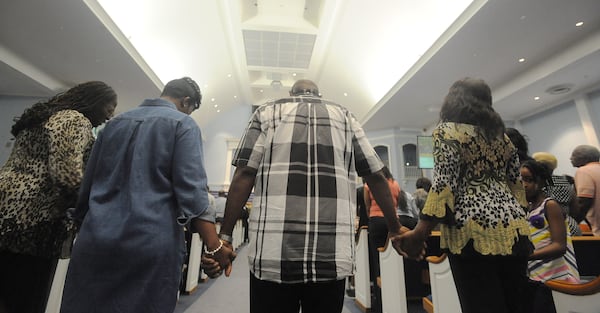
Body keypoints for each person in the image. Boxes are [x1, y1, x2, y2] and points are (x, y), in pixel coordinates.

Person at [212, 79, 413, 313]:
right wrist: (395, 226)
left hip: (273, 252)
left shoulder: (266, 112)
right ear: (319, 94)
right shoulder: (345, 117)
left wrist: (224, 237)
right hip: (330, 255)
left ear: (291, 93)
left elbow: (245, 172)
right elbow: (376, 176)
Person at [59, 77, 235, 313]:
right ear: (186, 102)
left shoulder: (113, 124)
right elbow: (192, 193)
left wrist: (83, 227)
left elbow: (87, 186)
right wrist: (214, 247)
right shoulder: (183, 125)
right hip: (149, 242)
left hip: (96, 239)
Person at [396, 78, 533, 313]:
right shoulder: (503, 138)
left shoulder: (447, 132)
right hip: (515, 232)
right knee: (516, 305)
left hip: (471, 232)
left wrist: (420, 233)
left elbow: (443, 187)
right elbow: (517, 188)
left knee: (481, 305)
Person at [0, 81, 117, 313]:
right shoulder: (75, 120)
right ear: (95, 101)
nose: (110, 115)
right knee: (25, 296)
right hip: (35, 217)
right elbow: (67, 176)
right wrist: (93, 213)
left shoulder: (42, 116)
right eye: (109, 107)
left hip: (8, 209)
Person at [520, 160, 579, 313]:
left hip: (554, 277)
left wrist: (528, 256)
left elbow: (559, 246)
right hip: (536, 277)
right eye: (521, 180)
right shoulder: (527, 209)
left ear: (540, 181)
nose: (524, 185)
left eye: (529, 180)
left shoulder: (550, 205)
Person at [364, 166, 401, 313]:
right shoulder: (395, 184)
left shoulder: (369, 185)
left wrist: (372, 216)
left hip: (376, 221)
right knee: (392, 260)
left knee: (377, 261)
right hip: (392, 221)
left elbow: (367, 206)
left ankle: (379, 303)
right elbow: (396, 203)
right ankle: (395, 297)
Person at [531, 152, 581, 236]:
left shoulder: (536, 183)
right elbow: (575, 208)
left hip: (548, 230)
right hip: (572, 228)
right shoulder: (565, 181)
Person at [570, 144, 600, 236]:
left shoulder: (584, 171)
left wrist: (571, 224)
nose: (570, 158)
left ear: (585, 158)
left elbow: (584, 202)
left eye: (574, 155)